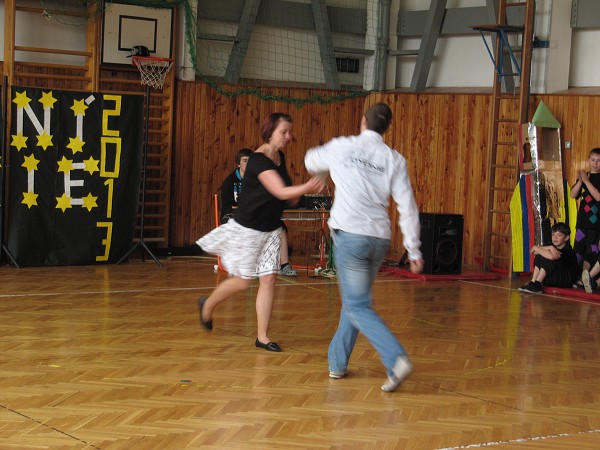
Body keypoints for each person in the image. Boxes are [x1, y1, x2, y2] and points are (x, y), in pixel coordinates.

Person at [304, 102, 424, 392]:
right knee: (354, 302)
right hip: (378, 240)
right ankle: (337, 362)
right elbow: (407, 206)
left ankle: (395, 359)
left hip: (351, 237)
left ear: (362, 122)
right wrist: (414, 249)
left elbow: (310, 160)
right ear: (386, 128)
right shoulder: (394, 159)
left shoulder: (342, 146)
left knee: (357, 304)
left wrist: (323, 169)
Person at [197, 113, 324, 352]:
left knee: (268, 279)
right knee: (244, 282)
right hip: (249, 229)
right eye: (283, 132)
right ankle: (207, 305)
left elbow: (285, 193)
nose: (289, 136)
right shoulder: (257, 160)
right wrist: (308, 186)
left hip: (271, 228)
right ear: (269, 132)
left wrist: (298, 194)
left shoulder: (279, 157)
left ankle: (262, 336)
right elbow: (278, 190)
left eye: (289, 132)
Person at [220, 148, 299, 277]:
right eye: (245, 161)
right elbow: (226, 206)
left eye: (250, 161)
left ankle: (284, 265)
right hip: (238, 217)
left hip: (256, 216)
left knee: (280, 227)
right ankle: (245, 265)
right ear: (238, 163)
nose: (248, 164)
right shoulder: (229, 182)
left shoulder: (260, 178)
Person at [517, 222, 578, 294]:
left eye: (559, 235)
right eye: (553, 235)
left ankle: (538, 283)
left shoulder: (568, 250)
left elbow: (551, 256)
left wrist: (536, 247)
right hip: (553, 278)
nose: (555, 238)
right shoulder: (551, 245)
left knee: (547, 256)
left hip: (564, 280)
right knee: (540, 255)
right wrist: (550, 247)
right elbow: (534, 252)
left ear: (566, 238)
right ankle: (533, 282)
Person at [570, 147, 600, 287]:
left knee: (591, 249)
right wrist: (581, 181)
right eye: (593, 160)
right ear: (589, 160)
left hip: (595, 223)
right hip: (582, 221)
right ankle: (575, 277)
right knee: (578, 249)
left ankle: (585, 279)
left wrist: (587, 181)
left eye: (599, 161)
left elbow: (598, 197)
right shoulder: (585, 176)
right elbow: (573, 194)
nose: (595, 163)